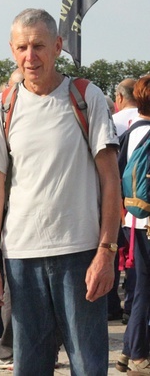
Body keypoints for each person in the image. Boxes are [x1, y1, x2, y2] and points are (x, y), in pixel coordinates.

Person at [0, 9, 121, 374]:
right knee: (29, 366)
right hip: (22, 258)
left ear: (58, 46)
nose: (31, 56)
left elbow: (110, 181)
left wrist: (106, 250)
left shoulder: (87, 97)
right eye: (22, 47)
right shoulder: (2, 107)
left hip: (81, 254)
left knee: (88, 365)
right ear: (11, 50)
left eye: (39, 45)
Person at [116, 75, 150, 374]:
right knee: (143, 290)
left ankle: (129, 350)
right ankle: (139, 354)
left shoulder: (131, 133)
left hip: (133, 220)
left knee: (140, 286)